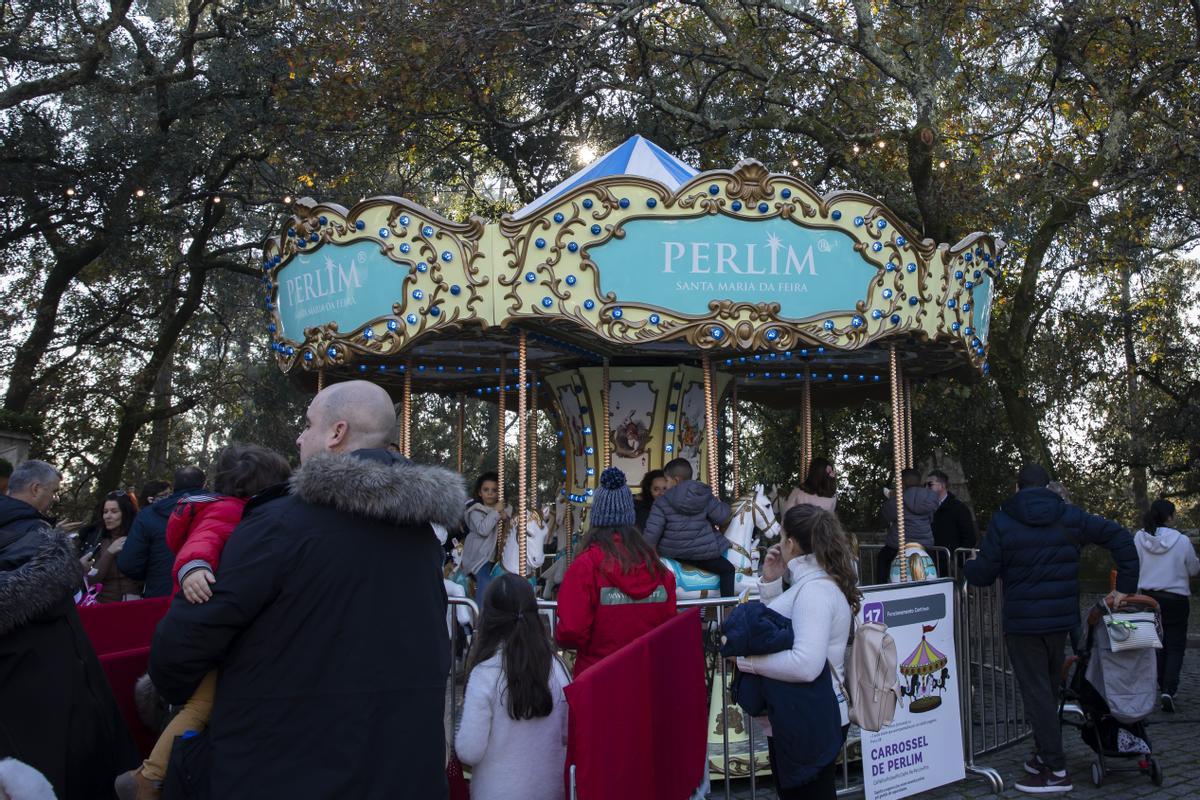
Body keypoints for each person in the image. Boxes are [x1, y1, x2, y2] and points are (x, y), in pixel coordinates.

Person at [149, 380, 466, 798]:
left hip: (285, 765)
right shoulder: (422, 538)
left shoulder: (279, 523)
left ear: (336, 433)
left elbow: (186, 641)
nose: (299, 437)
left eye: (308, 424)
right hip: (400, 769)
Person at [116, 444, 293, 800]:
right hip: (209, 630)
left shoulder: (235, 510)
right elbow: (203, 542)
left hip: (214, 631)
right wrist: (194, 567)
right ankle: (149, 777)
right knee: (201, 706)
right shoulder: (230, 512)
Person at [964, 463, 1139, 794]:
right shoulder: (1070, 517)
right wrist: (1124, 587)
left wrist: (970, 568)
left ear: (1018, 487)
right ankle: (1045, 757)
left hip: (1023, 625)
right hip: (1059, 621)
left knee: (1037, 695)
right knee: (1048, 689)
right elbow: (1119, 536)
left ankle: (1056, 771)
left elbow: (984, 574)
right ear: (1048, 487)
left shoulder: (1003, 520)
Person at [0, 460, 140, 799]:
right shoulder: (37, 540)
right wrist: (71, 572)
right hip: (46, 687)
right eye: (52, 492)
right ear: (35, 490)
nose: (52, 499)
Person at [736, 503, 858, 799]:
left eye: (782, 536)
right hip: (802, 713)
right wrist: (771, 581)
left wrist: (748, 662)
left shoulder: (814, 591)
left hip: (811, 714)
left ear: (790, 543)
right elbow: (782, 631)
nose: (778, 542)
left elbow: (806, 663)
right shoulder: (813, 584)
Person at [455, 574, 570, 800]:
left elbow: (469, 750)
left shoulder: (485, 673)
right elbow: (568, 732)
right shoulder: (557, 668)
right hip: (550, 791)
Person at [556, 467, 676, 675]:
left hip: (599, 675)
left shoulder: (585, 566)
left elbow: (571, 631)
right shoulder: (657, 568)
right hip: (648, 675)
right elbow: (668, 625)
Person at [1134, 499, 1199, 713]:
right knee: (1176, 646)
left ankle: (1161, 684)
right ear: (1169, 517)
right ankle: (1169, 689)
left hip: (1150, 598)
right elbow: (1193, 569)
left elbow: (1133, 564)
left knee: (1157, 644)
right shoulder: (1181, 541)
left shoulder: (1140, 538)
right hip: (1176, 599)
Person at [643, 458, 734, 596]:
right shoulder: (704, 496)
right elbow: (721, 517)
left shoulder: (662, 502)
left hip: (673, 554)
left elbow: (652, 534)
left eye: (667, 481)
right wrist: (724, 506)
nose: (666, 485)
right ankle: (728, 608)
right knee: (728, 570)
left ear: (676, 480)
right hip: (704, 554)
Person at [118, 465, 207, 597]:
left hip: (161, 595)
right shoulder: (222, 508)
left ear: (175, 486)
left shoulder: (148, 515)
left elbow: (129, 564)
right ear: (204, 485)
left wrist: (154, 572)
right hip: (208, 593)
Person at [877, 468, 939, 581]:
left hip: (898, 545)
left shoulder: (897, 499)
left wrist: (892, 497)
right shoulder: (930, 497)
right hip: (924, 544)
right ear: (919, 481)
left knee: (882, 558)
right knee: (933, 560)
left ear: (902, 482)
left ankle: (880, 588)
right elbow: (931, 518)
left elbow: (885, 517)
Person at [461, 472, 510, 605]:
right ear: (479, 493)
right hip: (480, 559)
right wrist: (496, 512)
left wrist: (507, 520)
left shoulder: (504, 512)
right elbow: (483, 530)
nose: (490, 493)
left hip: (498, 559)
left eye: (494, 490)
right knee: (486, 582)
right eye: (486, 490)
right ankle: (481, 618)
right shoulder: (475, 511)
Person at [87, 490, 143, 603]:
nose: (107, 516)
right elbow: (91, 579)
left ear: (125, 513)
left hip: (135, 605)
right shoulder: (98, 541)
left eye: (114, 511)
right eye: (105, 512)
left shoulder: (138, 538)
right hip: (104, 606)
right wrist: (109, 553)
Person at [927, 469, 977, 564]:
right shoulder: (927, 508)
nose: (926, 488)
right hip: (932, 563)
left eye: (930, 484)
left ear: (942, 485)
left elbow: (969, 537)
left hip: (952, 565)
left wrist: (957, 561)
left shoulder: (959, 508)